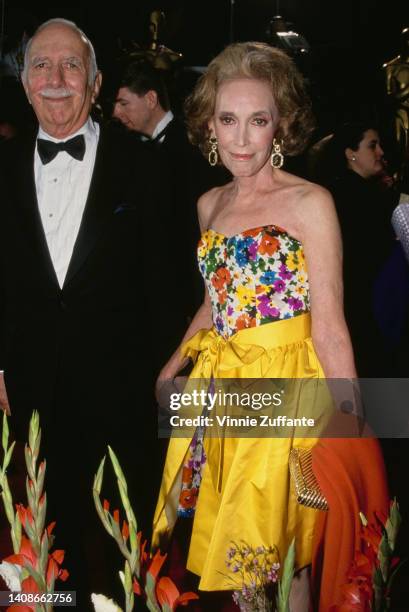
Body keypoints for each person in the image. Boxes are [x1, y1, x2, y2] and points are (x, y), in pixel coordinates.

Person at [152, 43, 388, 610]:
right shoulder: (210, 205)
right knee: (243, 562)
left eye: (257, 121)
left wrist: (352, 427)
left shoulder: (311, 203)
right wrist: (174, 363)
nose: (240, 138)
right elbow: (217, 302)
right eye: (227, 120)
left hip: (292, 393)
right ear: (210, 126)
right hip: (224, 395)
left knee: (290, 557)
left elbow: (330, 323)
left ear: (279, 126)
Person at [0, 17, 179, 607]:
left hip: (125, 397)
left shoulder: (149, 169)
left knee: (135, 549)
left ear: (96, 83)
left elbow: (169, 287)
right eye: (40, 67)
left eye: (71, 65)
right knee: (51, 549)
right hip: (29, 399)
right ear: (24, 83)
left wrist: (166, 385)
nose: (55, 79)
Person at [112, 58, 229, 314]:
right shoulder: (131, 149)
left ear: (151, 99)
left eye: (123, 103)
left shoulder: (191, 145)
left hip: (189, 287)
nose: (116, 113)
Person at [319, 123, 407, 376]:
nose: (380, 152)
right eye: (372, 145)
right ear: (351, 153)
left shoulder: (359, 191)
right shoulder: (352, 195)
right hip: (365, 310)